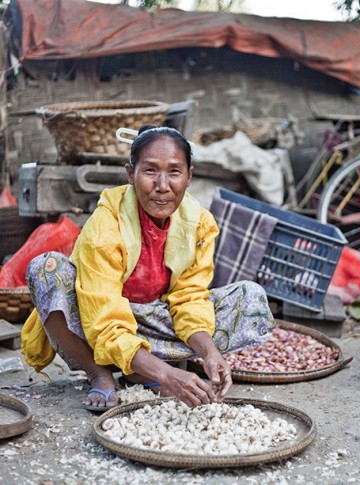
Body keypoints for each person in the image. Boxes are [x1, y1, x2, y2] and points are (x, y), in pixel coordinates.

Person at [21, 126, 274, 412]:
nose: (163, 185)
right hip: (96, 318)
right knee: (46, 268)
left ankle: (139, 371)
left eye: (174, 172)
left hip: (152, 316)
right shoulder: (106, 223)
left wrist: (209, 353)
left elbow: (189, 298)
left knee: (249, 296)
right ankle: (99, 373)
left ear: (189, 176)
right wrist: (168, 374)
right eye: (150, 171)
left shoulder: (199, 224)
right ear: (131, 174)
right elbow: (104, 319)